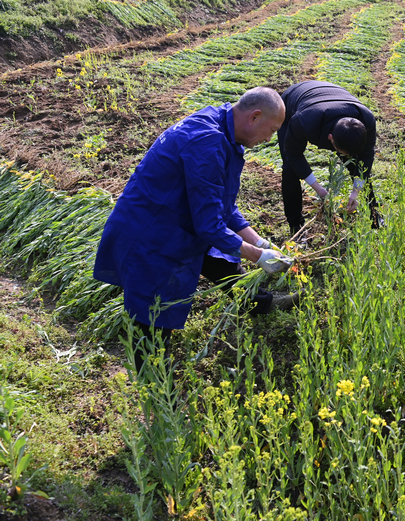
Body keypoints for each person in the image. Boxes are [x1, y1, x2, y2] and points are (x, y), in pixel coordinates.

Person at [94, 86, 291, 363]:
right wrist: (258, 257)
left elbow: (222, 206)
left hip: (175, 218)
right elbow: (209, 226)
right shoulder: (207, 144)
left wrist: (259, 243)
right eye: (271, 131)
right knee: (153, 315)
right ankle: (154, 386)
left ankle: (258, 302)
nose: (269, 139)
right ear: (255, 117)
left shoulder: (222, 121)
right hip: (152, 232)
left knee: (220, 261)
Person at [277, 80, 379, 234]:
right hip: (293, 101)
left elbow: (366, 159)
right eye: (342, 151)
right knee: (290, 169)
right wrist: (320, 190)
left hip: (331, 96)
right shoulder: (303, 121)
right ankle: (296, 225)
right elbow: (293, 154)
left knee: (357, 165)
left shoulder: (367, 120)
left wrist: (356, 192)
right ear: (330, 138)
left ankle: (374, 216)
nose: (344, 156)